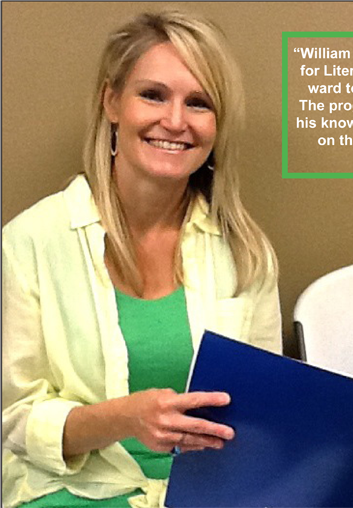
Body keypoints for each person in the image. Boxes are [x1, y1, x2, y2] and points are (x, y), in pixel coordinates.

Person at [2, 10, 281, 508]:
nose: (174, 121)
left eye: (198, 103)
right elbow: (14, 418)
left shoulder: (247, 252)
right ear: (111, 101)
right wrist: (124, 418)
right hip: (74, 489)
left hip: (209, 491)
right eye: (153, 95)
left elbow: (266, 410)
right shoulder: (29, 242)